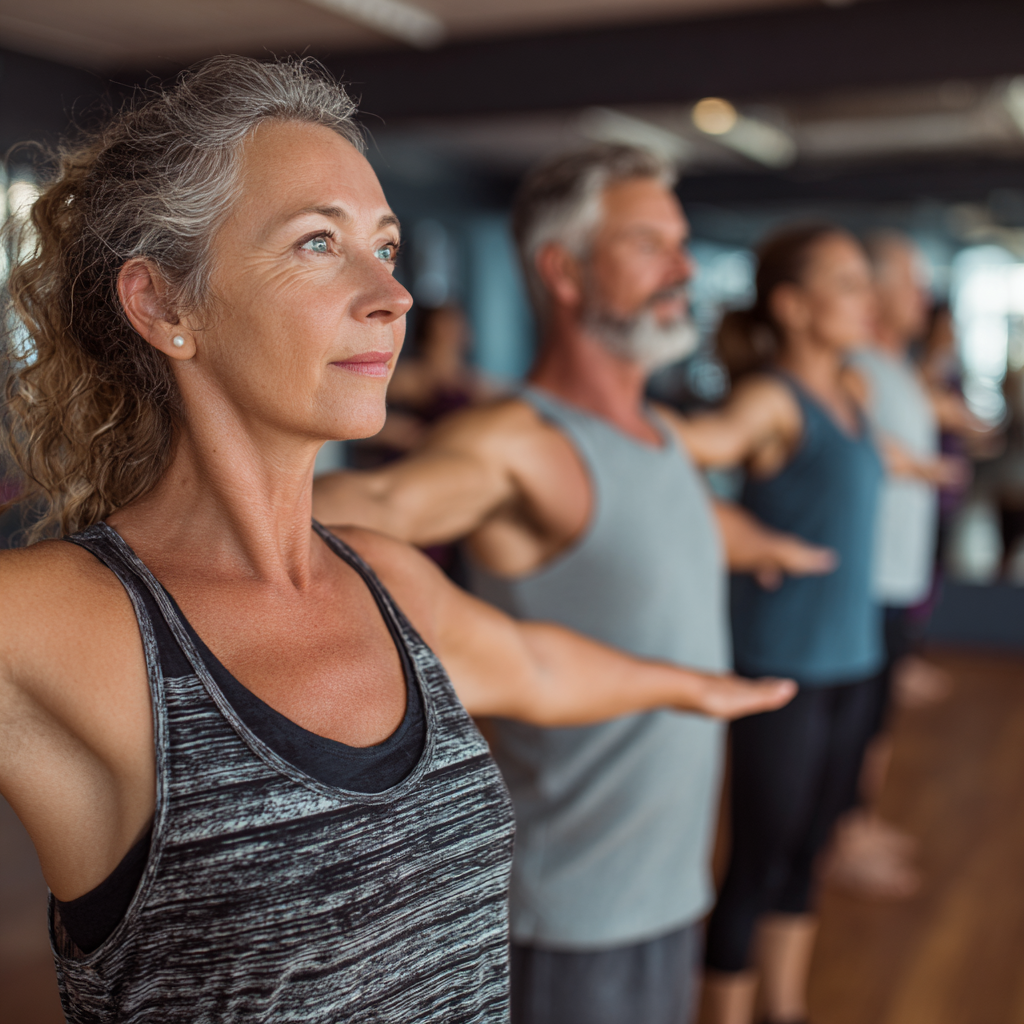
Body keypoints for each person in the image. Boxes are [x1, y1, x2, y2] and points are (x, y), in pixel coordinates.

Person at [0, 58, 797, 1024]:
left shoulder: (387, 583)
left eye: (385, 246)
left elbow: (535, 668)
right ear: (166, 305)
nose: (392, 293)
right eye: (316, 243)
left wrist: (700, 689)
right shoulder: (62, 621)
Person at [313, 145, 834, 1024]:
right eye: (647, 244)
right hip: (569, 919)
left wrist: (767, 542)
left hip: (670, 892)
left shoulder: (661, 435)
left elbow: (672, 526)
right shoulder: (516, 443)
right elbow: (367, 501)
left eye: (679, 242)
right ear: (564, 270)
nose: (681, 267)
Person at [676, 224, 885, 1024]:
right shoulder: (768, 398)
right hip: (782, 668)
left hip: (853, 658)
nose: (866, 298)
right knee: (758, 863)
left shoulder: (853, 392)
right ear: (794, 307)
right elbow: (684, 454)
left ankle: (785, 1008)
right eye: (847, 281)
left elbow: (866, 469)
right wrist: (739, 536)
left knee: (808, 856)